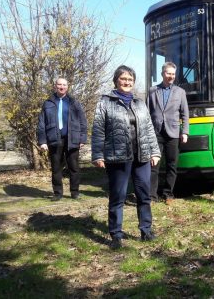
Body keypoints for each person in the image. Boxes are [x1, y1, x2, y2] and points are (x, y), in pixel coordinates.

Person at [92, 65, 161, 249]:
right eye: (123, 78)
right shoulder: (105, 102)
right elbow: (98, 129)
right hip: (117, 157)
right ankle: (115, 234)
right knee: (118, 196)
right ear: (116, 80)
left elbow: (148, 129)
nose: (127, 82)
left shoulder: (140, 103)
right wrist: (98, 154)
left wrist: (155, 151)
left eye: (130, 79)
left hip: (142, 156)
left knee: (144, 195)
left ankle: (146, 230)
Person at [37, 77, 87, 201]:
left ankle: (75, 192)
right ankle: (57, 193)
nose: (62, 87)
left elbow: (83, 121)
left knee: (74, 167)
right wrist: (42, 141)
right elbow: (41, 123)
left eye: (64, 85)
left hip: (72, 139)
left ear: (67, 87)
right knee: (56, 168)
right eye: (59, 84)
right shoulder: (48, 103)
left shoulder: (74, 102)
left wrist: (82, 139)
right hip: (54, 139)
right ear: (55, 86)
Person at [147, 62, 189, 205]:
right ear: (162, 73)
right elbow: (147, 113)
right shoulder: (152, 91)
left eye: (173, 74)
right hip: (156, 133)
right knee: (154, 165)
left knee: (172, 165)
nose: (171, 76)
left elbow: (185, 114)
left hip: (173, 133)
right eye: (168, 73)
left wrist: (185, 132)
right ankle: (152, 196)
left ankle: (168, 194)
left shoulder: (180, 92)